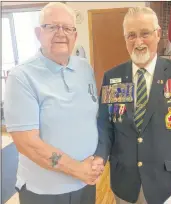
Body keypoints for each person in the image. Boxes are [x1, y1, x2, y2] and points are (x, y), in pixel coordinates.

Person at [93, 6, 171, 204]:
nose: (138, 42)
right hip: (124, 182)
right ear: (125, 39)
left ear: (158, 34)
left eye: (145, 34)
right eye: (131, 35)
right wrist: (99, 156)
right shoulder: (112, 77)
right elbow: (105, 126)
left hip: (167, 182)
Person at [4, 2, 103, 204]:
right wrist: (78, 169)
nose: (61, 33)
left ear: (75, 35)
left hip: (85, 185)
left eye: (67, 28)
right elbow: (27, 144)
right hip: (45, 192)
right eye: (52, 27)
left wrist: (96, 162)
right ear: (38, 33)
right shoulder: (22, 77)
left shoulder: (85, 69)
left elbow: (92, 120)